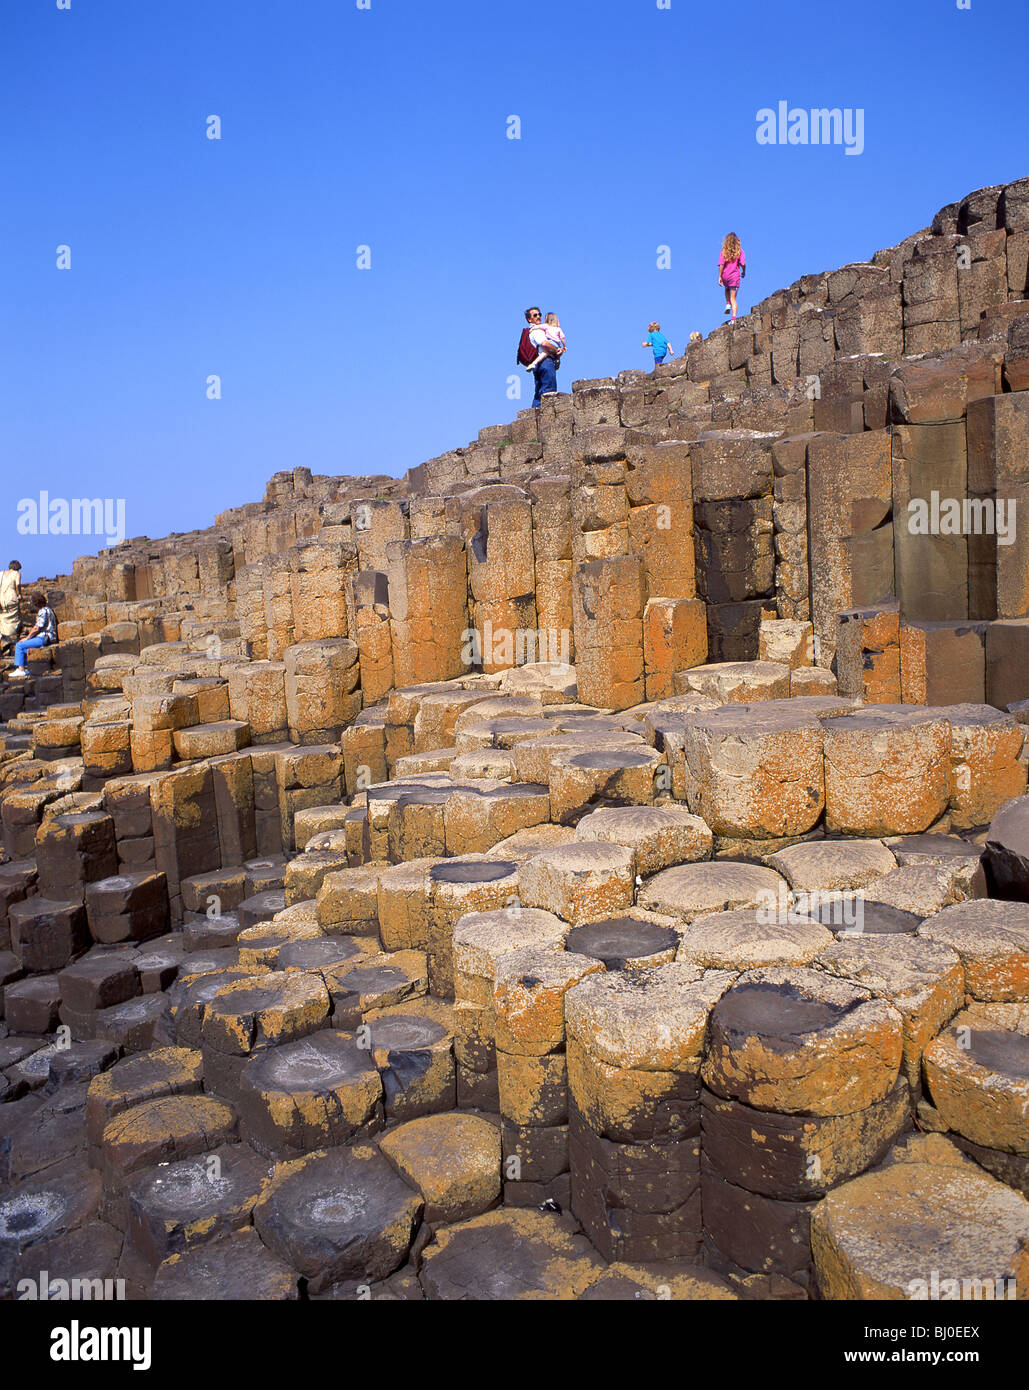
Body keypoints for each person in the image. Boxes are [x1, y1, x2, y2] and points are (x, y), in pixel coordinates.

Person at [518, 306, 560, 409]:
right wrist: (556, 350)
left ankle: (534, 416)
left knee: (539, 393)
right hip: (545, 362)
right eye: (535, 315)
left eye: (539, 314)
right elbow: (544, 343)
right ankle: (547, 416)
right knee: (549, 390)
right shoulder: (536, 331)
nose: (538, 317)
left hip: (538, 364)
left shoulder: (536, 330)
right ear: (529, 319)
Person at [9, 592, 58, 678]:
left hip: (45, 637)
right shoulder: (49, 609)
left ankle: (20, 670)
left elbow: (37, 628)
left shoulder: (42, 611)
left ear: (35, 603)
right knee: (24, 650)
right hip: (50, 637)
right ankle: (27, 668)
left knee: (19, 645)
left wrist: (27, 638)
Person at [719, 233, 746, 320]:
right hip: (734, 277)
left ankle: (727, 303)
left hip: (725, 276)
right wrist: (744, 271)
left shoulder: (723, 251)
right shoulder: (740, 252)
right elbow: (743, 264)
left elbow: (721, 264)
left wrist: (719, 276)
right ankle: (733, 318)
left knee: (727, 289)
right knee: (733, 298)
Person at [0, 561, 22, 657]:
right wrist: (19, 594)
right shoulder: (17, 574)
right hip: (11, 598)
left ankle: (3, 638)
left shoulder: (1, 573)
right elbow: (17, 585)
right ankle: (12, 641)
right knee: (14, 620)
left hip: (2, 599)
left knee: (2, 619)